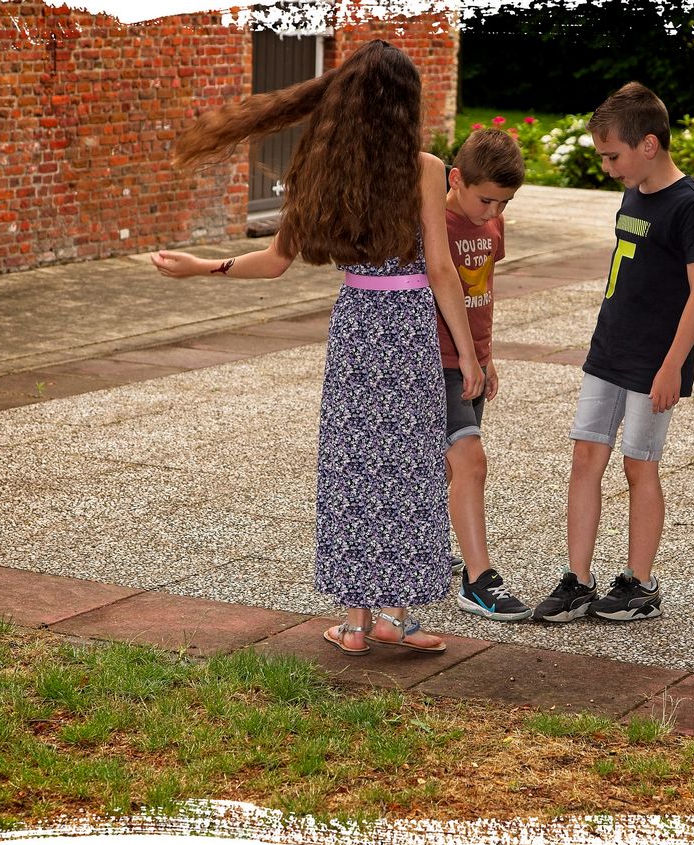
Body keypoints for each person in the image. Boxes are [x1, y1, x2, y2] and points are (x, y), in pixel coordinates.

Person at [150, 40, 484, 655]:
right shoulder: (425, 168)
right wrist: (466, 352)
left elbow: (274, 261)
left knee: (354, 467)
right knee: (409, 466)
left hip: (355, 325)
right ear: (405, 105)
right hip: (409, 328)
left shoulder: (322, 168)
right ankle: (397, 617)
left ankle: (355, 624)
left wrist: (202, 267)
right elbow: (440, 268)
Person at [533, 82, 694, 623]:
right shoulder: (633, 190)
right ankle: (578, 579)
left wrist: (671, 367)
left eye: (612, 155)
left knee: (640, 464)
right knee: (586, 457)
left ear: (649, 145)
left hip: (654, 362)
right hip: (608, 350)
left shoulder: (689, 206)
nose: (607, 166)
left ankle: (640, 583)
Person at [437, 129, 532, 622]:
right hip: (440, 362)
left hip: (472, 362)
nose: (493, 212)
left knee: (450, 466)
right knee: (470, 460)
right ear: (456, 179)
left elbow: (482, 292)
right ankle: (478, 580)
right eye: (486, 200)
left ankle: (428, 545)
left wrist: (485, 355)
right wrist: (466, 358)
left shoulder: (491, 224)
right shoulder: (435, 224)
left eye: (504, 203)